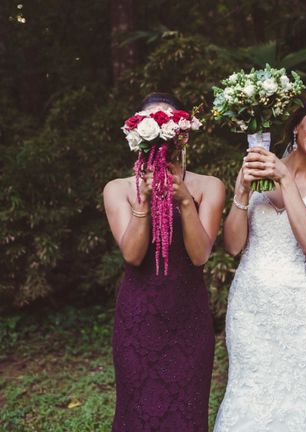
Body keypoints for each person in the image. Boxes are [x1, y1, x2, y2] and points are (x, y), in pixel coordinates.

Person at [213, 90, 306, 432]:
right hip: (249, 307)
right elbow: (233, 246)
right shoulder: (258, 169)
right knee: (249, 394)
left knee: (302, 397)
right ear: (296, 125)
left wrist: (285, 180)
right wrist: (242, 191)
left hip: (302, 310)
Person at [104, 92, 225, 431]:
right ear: (136, 135)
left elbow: (200, 255)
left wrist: (185, 201)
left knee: (186, 411)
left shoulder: (209, 187)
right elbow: (132, 255)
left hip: (188, 317)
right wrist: (143, 202)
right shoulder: (118, 189)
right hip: (138, 318)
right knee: (136, 410)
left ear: (182, 133)